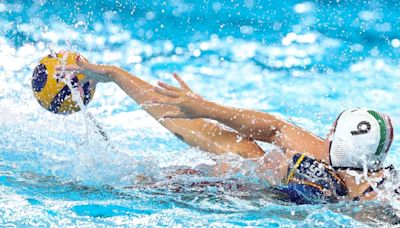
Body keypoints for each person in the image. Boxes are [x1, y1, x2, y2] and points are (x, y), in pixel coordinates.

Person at [56, 55, 397, 205]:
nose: (324, 134)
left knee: (240, 158)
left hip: (234, 197)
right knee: (244, 151)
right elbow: (274, 128)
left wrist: (203, 111)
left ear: (336, 142)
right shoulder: (378, 180)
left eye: (331, 131)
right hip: (258, 188)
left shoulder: (314, 177)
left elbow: (271, 131)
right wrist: (116, 75)